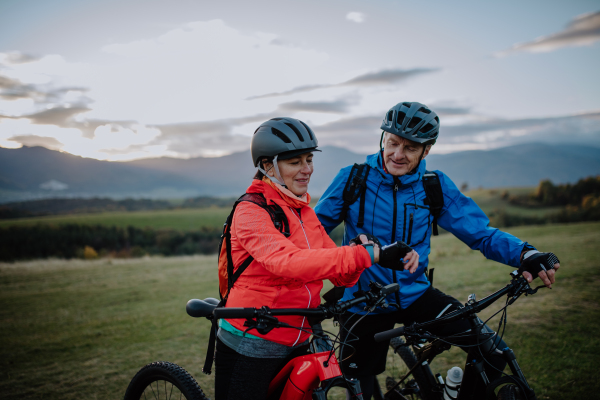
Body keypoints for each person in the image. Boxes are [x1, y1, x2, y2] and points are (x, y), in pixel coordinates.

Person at [314, 102, 561, 400]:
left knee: (492, 352)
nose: (397, 154)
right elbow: (312, 233)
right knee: (362, 388)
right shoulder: (353, 179)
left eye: (410, 147)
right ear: (382, 139)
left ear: (426, 150)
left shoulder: (435, 186)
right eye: (392, 143)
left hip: (417, 294)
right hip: (364, 301)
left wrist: (524, 254)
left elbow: (480, 233)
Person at [214, 117, 418, 400]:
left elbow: (338, 272)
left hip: (298, 335)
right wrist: (364, 254)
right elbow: (288, 263)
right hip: (251, 341)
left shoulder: (303, 212)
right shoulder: (250, 212)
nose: (307, 170)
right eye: (295, 162)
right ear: (267, 165)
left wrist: (364, 254)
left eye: (309, 159)